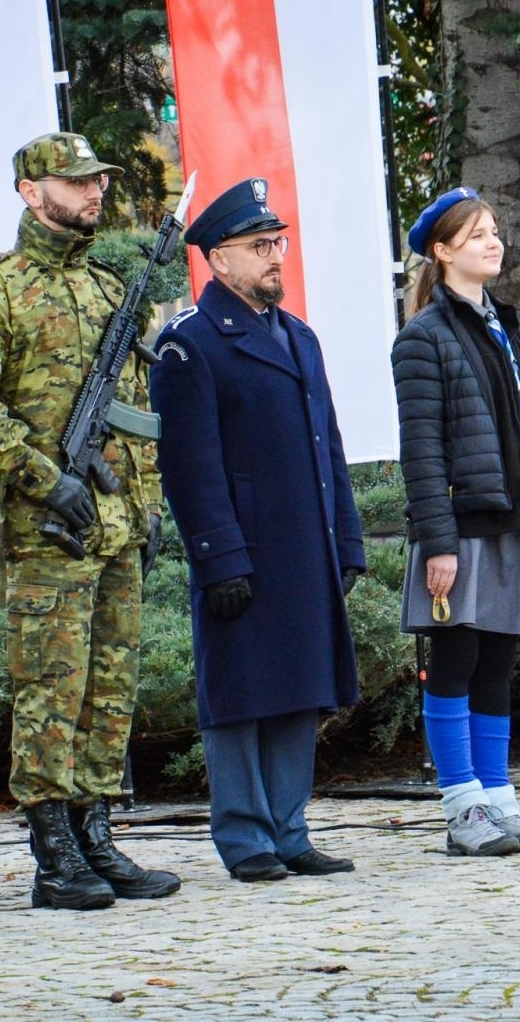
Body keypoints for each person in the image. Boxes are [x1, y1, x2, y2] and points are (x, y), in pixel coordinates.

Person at [0, 132, 179, 910]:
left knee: (109, 688)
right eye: (76, 182)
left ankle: (97, 838)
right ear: (30, 192)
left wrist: (140, 505)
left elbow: (131, 410)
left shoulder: (108, 289)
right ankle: (53, 853)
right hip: (48, 528)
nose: (93, 192)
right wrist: (45, 477)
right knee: (52, 687)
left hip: (113, 522)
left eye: (98, 180)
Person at [150, 177, 364, 882]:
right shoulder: (191, 343)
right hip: (241, 547)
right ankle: (245, 838)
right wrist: (217, 557)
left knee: (301, 688)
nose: (275, 256)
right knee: (240, 696)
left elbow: (326, 447)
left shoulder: (299, 337)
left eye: (278, 243)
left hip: (305, 543)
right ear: (217, 260)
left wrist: (349, 538)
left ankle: (289, 828)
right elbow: (191, 466)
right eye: (258, 246)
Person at [391, 187, 520, 857]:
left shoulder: (512, 325)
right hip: (459, 529)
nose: (492, 243)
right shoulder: (422, 339)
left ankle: (500, 801)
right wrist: (437, 541)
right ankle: (462, 808)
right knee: (456, 660)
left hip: (513, 523)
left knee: (497, 663)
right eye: (475, 236)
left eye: (494, 231)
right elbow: (423, 449)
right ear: (441, 252)